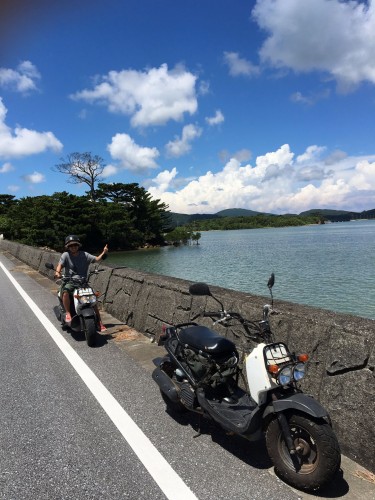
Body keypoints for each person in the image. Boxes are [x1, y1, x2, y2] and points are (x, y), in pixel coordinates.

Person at [54, 235, 109, 332]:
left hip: (82, 282)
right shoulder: (65, 255)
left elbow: (96, 259)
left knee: (92, 300)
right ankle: (68, 313)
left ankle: (99, 322)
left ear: (78, 245)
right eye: (71, 245)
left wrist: (104, 252)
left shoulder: (84, 254)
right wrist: (57, 272)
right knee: (65, 292)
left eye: (75, 245)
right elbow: (60, 265)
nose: (73, 247)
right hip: (70, 281)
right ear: (68, 247)